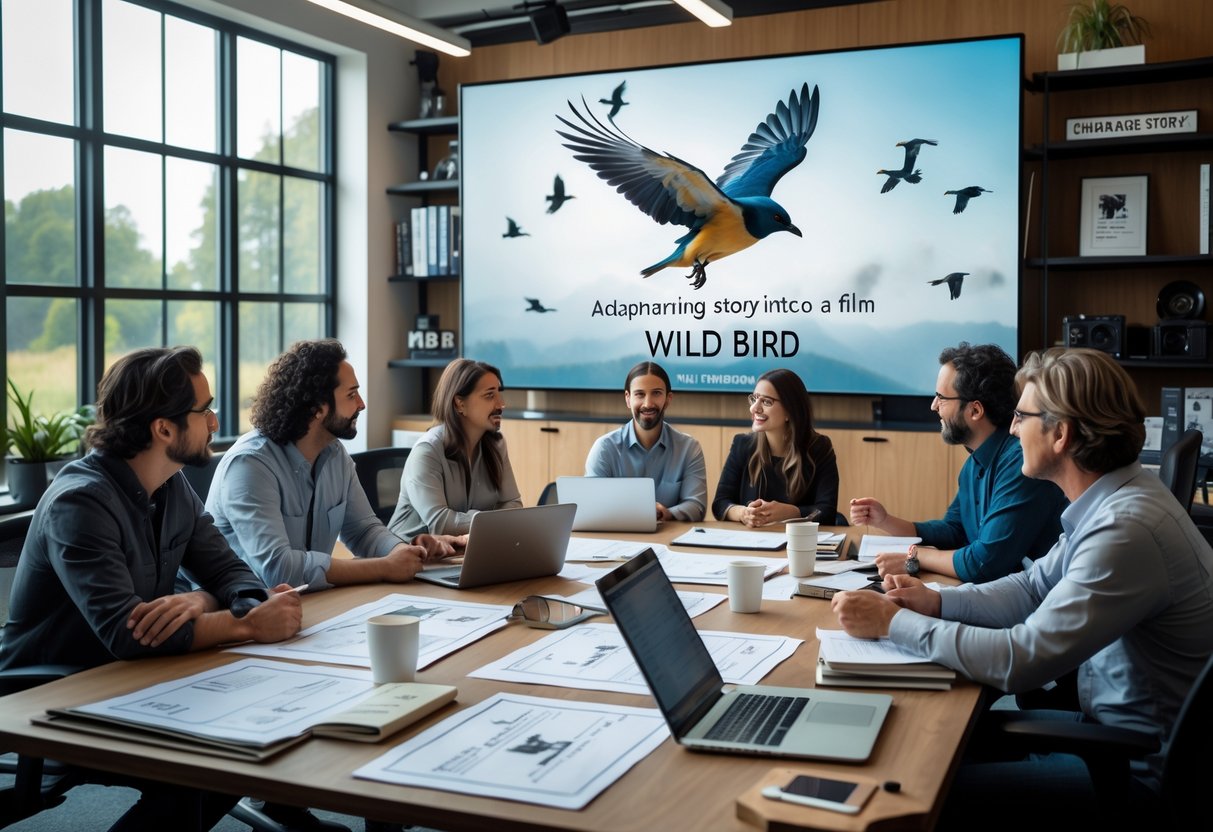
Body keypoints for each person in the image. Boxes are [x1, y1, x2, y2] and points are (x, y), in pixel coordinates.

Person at [831, 348, 1213, 814]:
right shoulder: (1115, 500)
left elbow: (1021, 660)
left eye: (1020, 416)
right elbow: (1032, 586)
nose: (1011, 429)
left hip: (1128, 770)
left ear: (1061, 435)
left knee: (914, 789)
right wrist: (936, 603)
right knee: (920, 749)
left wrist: (893, 625)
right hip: (1104, 733)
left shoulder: (1125, 529)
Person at [0, 346, 303, 831]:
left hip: (133, 679)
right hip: (54, 692)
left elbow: (233, 573)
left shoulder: (172, 484)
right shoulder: (81, 502)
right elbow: (128, 634)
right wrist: (248, 625)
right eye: (204, 410)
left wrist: (207, 599)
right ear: (164, 429)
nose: (214, 418)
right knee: (210, 764)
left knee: (238, 745)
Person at [206, 339, 457, 595]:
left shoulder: (335, 454)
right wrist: (383, 567)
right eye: (351, 394)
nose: (361, 404)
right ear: (317, 408)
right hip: (243, 609)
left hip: (310, 601)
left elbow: (364, 530)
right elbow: (279, 569)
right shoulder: (251, 465)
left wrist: (401, 551)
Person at [849, 343, 1067, 582]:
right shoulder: (974, 464)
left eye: (941, 398)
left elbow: (984, 563)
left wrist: (913, 556)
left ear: (975, 410)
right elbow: (953, 531)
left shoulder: (1020, 462)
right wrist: (886, 521)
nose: (933, 406)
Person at [388, 359, 522, 538]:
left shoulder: (496, 445)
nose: (501, 404)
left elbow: (513, 504)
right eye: (490, 396)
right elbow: (441, 524)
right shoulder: (427, 451)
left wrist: (488, 523)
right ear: (460, 404)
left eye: (499, 393)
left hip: (463, 553)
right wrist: (494, 521)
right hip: (409, 556)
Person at [712, 368, 838, 526]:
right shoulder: (742, 444)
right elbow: (720, 504)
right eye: (754, 399)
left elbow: (827, 512)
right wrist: (744, 513)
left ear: (790, 411)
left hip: (798, 544)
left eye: (766, 402)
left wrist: (793, 512)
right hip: (752, 542)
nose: (754, 408)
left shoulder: (820, 448)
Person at [584, 360, 707, 521]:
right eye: (640, 394)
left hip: (669, 538)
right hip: (618, 539)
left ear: (668, 399)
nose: (648, 404)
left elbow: (696, 506)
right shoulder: (604, 448)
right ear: (628, 399)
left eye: (656, 393)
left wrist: (666, 513)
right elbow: (591, 506)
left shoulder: (689, 448)